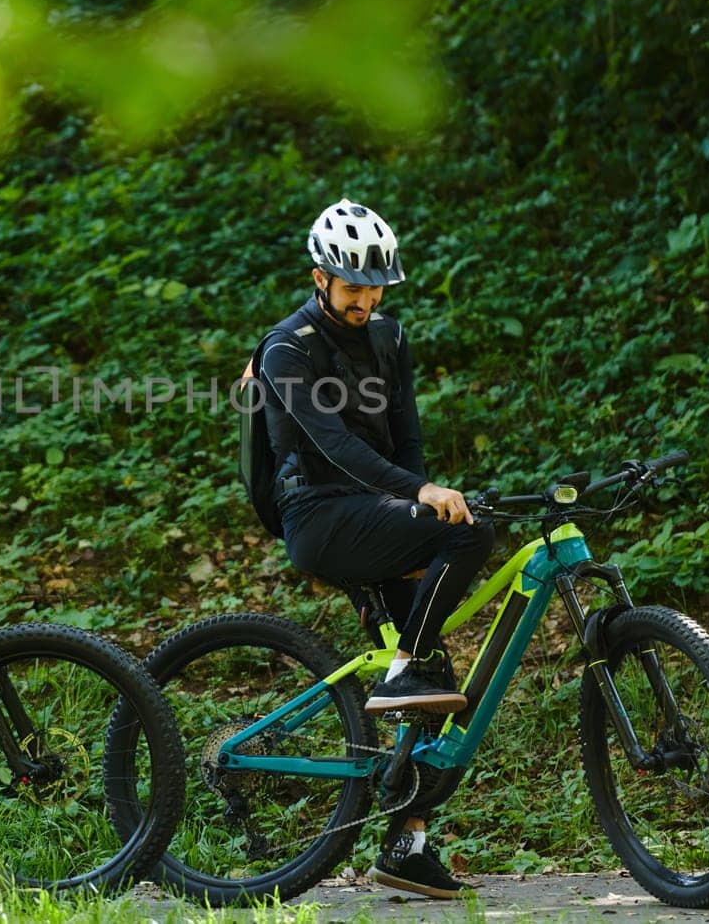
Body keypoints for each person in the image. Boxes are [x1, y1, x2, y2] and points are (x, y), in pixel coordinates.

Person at [254, 198, 494, 899]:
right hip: (320, 514)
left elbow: (404, 435)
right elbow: (335, 445)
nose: (365, 298)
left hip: (379, 507)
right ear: (319, 277)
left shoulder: (388, 337)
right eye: (351, 285)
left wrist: (421, 486)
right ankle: (402, 667)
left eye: (375, 284)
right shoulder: (287, 347)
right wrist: (421, 495)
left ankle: (405, 843)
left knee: (447, 695)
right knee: (470, 532)